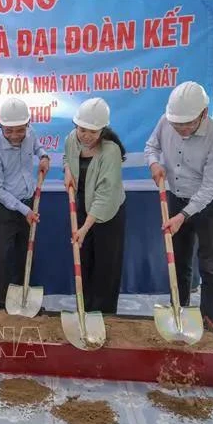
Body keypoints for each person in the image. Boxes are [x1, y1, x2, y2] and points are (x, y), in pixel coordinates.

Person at [144, 81, 213, 326]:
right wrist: (154, 164)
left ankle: (208, 325)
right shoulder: (166, 121)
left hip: (211, 203)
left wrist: (183, 215)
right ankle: (178, 315)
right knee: (179, 260)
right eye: (176, 124)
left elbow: (210, 187)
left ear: (203, 113)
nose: (181, 129)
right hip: (177, 195)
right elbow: (151, 146)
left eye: (187, 124)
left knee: (210, 266)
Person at [0, 97, 50, 309]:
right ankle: (1, 304)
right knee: (3, 257)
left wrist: (44, 156)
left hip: (28, 203)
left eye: (20, 130)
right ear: (0, 125)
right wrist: (24, 210)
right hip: (4, 211)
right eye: (8, 130)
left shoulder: (30, 135)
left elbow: (38, 146)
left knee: (25, 253)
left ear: (27, 125)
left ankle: (24, 300)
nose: (15, 135)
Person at [63, 98, 126, 314]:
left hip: (108, 213)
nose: (86, 136)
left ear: (102, 130)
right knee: (85, 261)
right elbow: (67, 157)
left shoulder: (111, 152)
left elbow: (104, 196)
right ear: (76, 126)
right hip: (82, 205)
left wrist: (84, 228)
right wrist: (67, 171)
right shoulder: (71, 139)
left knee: (106, 268)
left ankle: (105, 316)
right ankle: (86, 310)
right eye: (82, 129)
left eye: (93, 131)